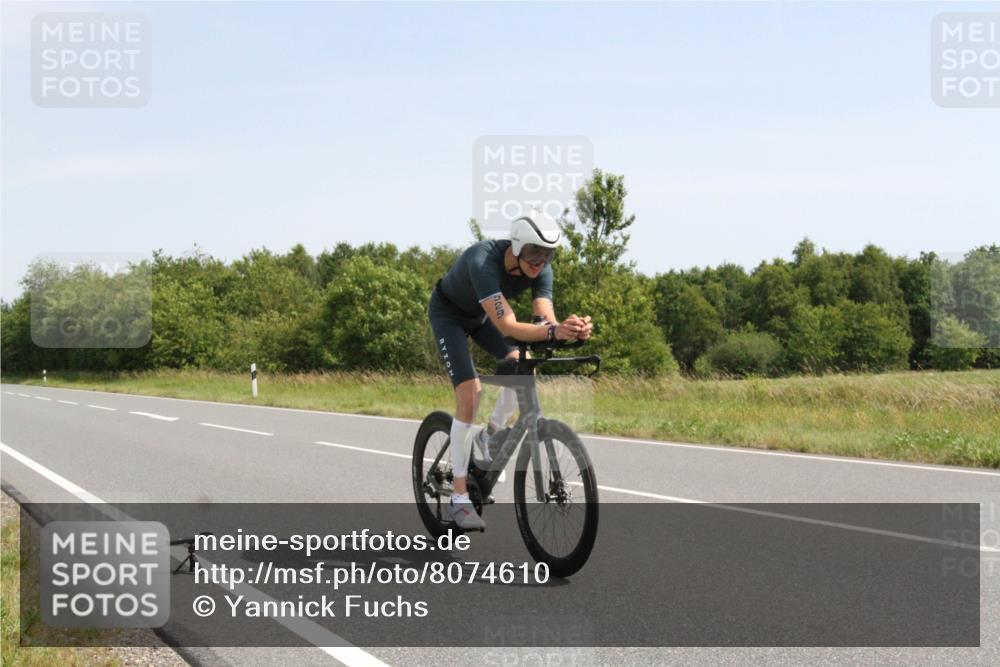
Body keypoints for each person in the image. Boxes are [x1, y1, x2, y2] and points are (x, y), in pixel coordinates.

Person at [428, 209, 593, 530]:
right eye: (533, 252)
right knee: (470, 392)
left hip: (480, 318)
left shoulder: (542, 270)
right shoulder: (483, 261)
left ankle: (487, 440)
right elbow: (507, 324)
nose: (539, 261)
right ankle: (459, 497)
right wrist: (552, 332)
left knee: (523, 369)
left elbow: (545, 321)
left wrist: (569, 329)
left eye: (548, 254)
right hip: (450, 315)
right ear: (516, 247)